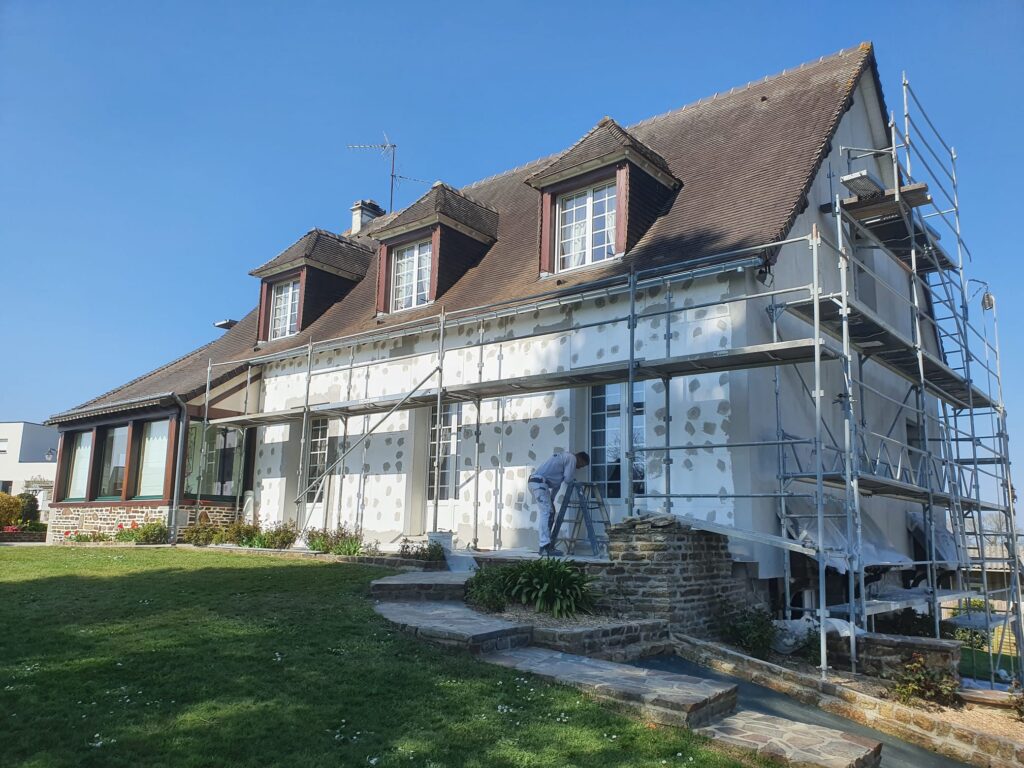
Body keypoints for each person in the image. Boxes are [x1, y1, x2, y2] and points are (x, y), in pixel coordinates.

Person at [528, 450, 590, 556]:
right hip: (539, 484)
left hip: (537, 483)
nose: (579, 468)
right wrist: (573, 480)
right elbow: (568, 479)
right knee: (547, 513)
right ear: (580, 459)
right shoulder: (572, 458)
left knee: (550, 512)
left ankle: (546, 545)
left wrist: (552, 499)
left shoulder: (562, 463)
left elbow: (556, 485)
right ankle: (544, 546)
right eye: (582, 465)